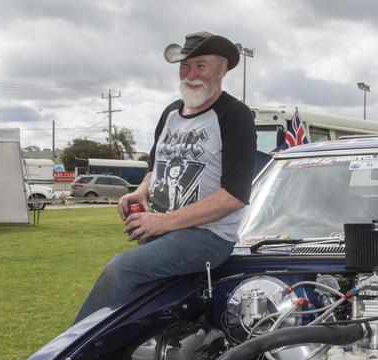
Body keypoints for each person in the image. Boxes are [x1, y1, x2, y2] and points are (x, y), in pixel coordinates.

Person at [74, 31, 256, 323]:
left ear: (221, 69)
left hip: (208, 236)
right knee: (136, 299)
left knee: (121, 270)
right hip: (166, 233)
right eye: (185, 65)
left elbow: (233, 196)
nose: (190, 74)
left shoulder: (235, 116)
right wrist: (141, 193)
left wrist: (161, 222)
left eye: (200, 65)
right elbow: (154, 167)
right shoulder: (171, 112)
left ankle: (69, 358)